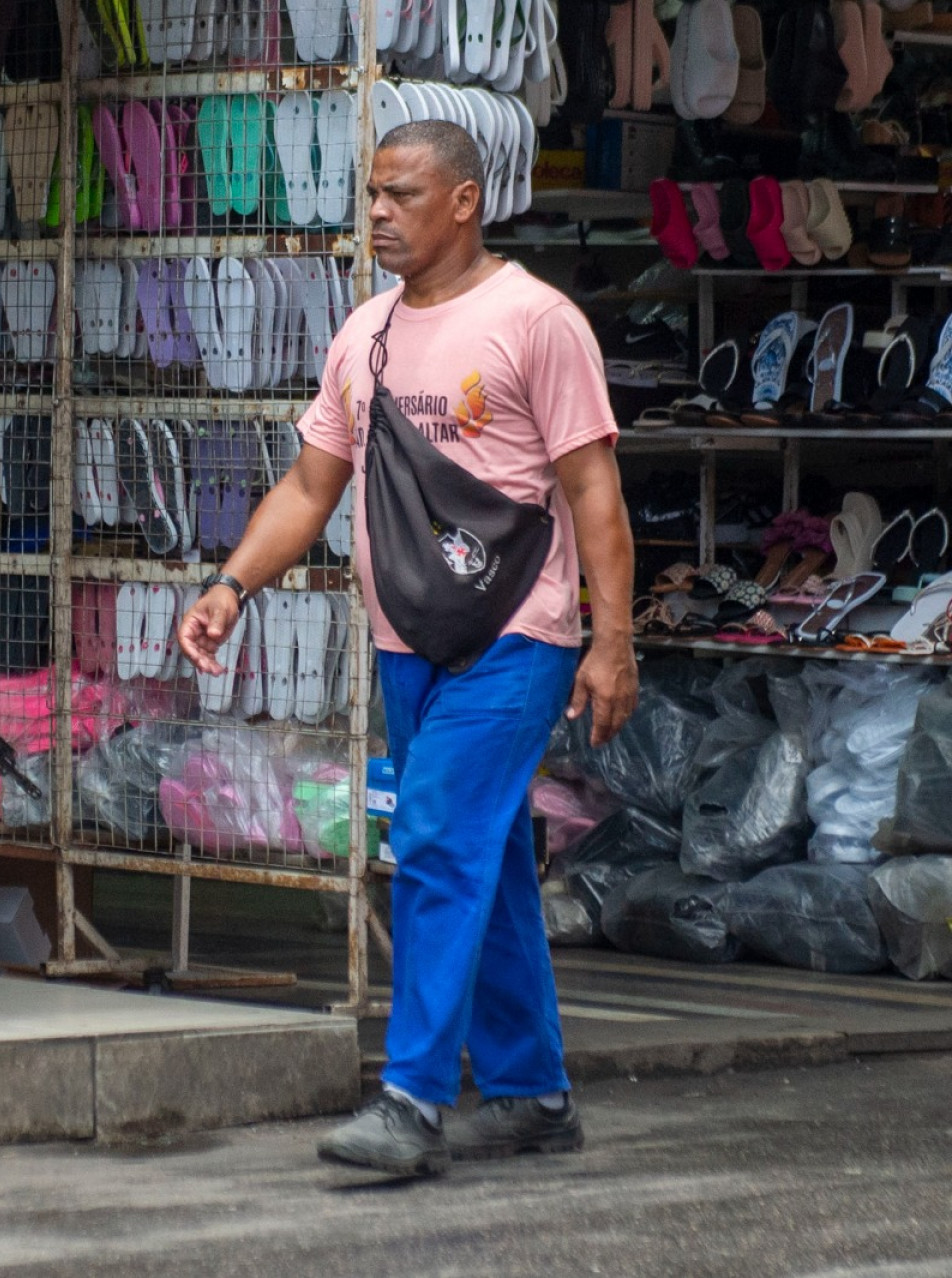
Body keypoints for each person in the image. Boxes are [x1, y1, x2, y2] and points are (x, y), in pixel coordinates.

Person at [177, 120, 639, 1176]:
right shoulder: (363, 333)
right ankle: (530, 1094)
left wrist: (611, 643)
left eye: (402, 194)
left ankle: (412, 1098)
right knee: (490, 857)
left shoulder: (536, 321)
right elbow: (308, 488)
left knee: (433, 834)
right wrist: (228, 587)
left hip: (520, 633)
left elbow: (595, 493)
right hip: (407, 640)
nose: (379, 212)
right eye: (372, 194)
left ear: (465, 201)